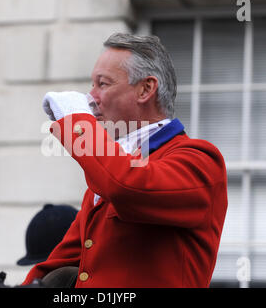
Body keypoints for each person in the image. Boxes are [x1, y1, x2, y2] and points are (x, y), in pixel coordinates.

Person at [22, 33, 228, 287]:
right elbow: (60, 262)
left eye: (103, 84)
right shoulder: (110, 168)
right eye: (92, 85)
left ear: (146, 89)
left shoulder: (199, 160)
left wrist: (77, 121)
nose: (90, 98)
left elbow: (126, 184)